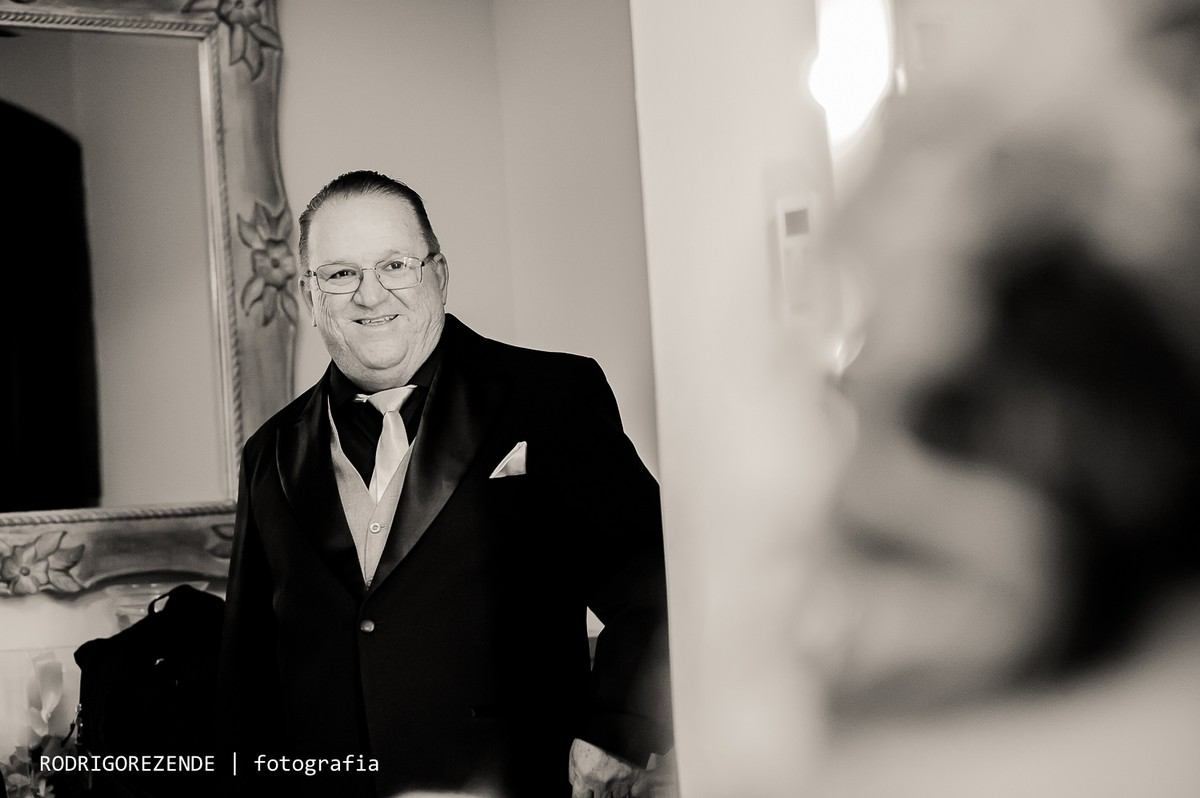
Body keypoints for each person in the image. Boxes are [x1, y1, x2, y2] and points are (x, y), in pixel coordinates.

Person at [219, 170, 672, 797]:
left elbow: (655, 576)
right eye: (341, 274)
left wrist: (619, 731)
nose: (370, 295)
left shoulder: (552, 397)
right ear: (309, 293)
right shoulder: (268, 453)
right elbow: (249, 673)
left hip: (517, 783)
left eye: (394, 266)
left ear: (438, 273)